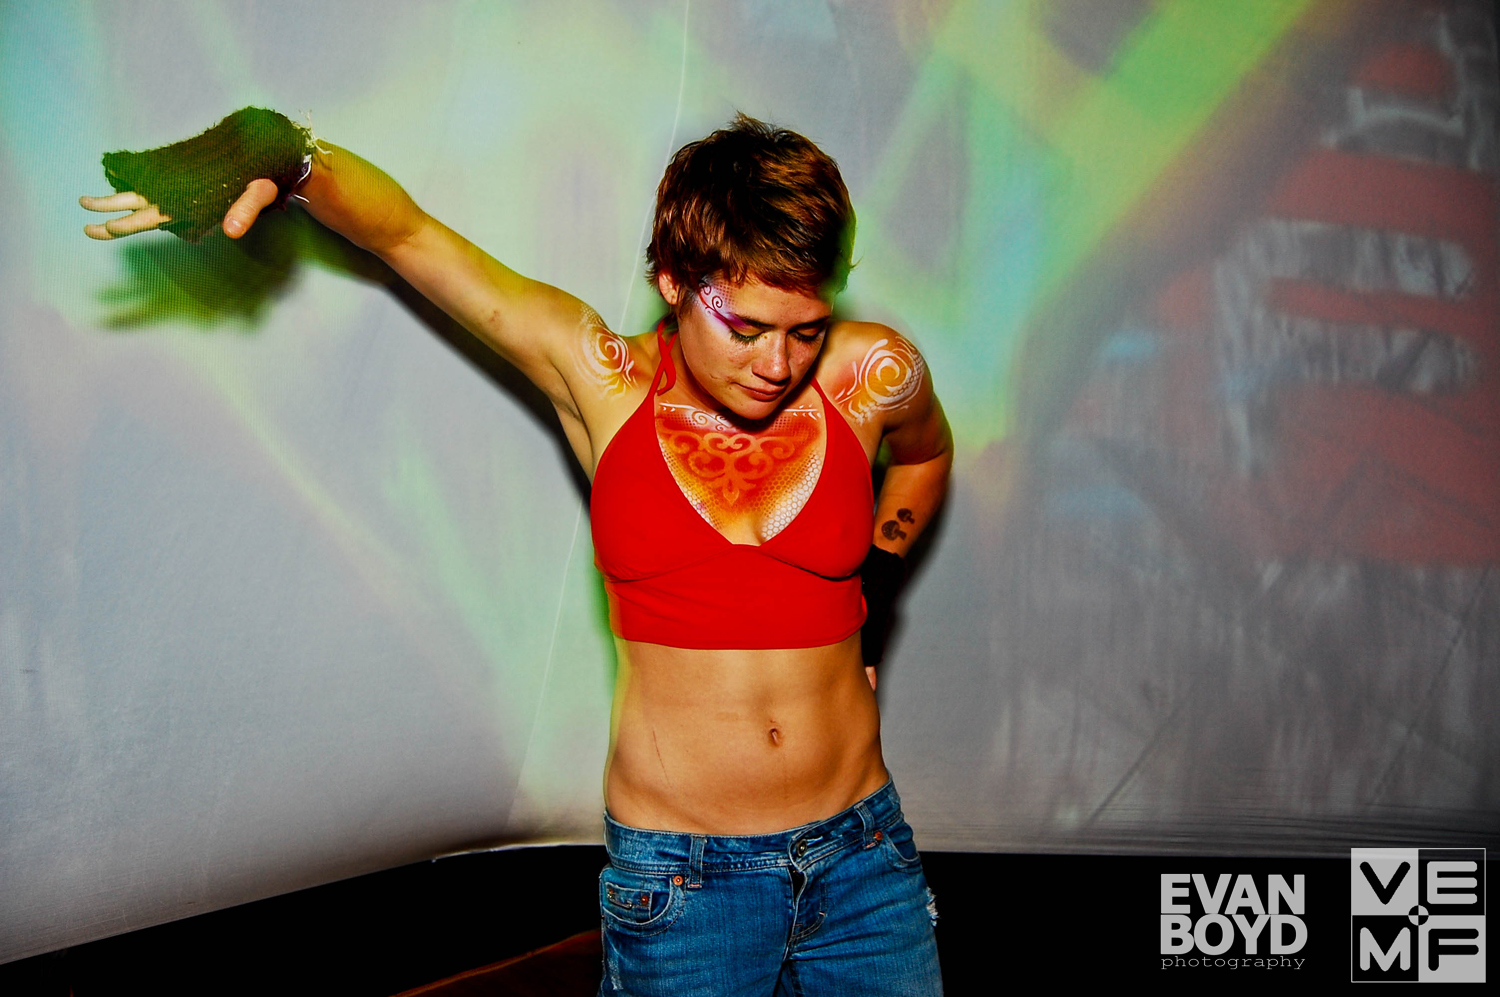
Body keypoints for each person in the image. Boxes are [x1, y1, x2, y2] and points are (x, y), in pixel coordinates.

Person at [82, 109, 952, 996]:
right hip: (690, 882)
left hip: (861, 859)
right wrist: (290, 155)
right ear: (674, 279)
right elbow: (410, 235)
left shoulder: (869, 373)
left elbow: (925, 457)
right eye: (747, 327)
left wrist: (878, 584)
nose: (777, 362)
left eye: (805, 330)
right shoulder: (603, 380)